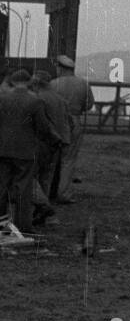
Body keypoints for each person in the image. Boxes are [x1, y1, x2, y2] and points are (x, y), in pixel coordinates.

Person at [0, 70, 63, 234]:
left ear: (13, 82)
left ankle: (1, 224)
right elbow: (43, 128)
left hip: (3, 149)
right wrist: (55, 140)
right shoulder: (35, 101)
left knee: (2, 188)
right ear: (28, 82)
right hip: (25, 151)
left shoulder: (2, 98)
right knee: (23, 189)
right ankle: (23, 227)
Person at [49, 54, 94, 203]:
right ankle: (63, 194)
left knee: (52, 158)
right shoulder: (83, 84)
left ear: (60, 68)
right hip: (74, 121)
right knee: (68, 160)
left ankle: (48, 191)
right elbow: (89, 105)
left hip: (56, 121)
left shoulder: (53, 84)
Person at [30, 71, 70, 225]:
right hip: (57, 143)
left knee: (31, 176)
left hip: (43, 142)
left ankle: (43, 207)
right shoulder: (60, 99)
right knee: (46, 178)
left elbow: (41, 124)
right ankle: (42, 213)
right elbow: (69, 122)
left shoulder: (38, 99)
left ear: (36, 84)